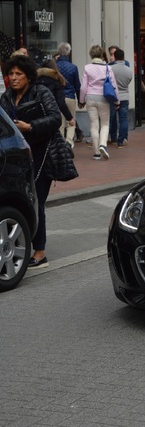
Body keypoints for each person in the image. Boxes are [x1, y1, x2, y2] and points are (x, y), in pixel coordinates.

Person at [0, 55, 62, 268]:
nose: (14, 78)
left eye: (19, 74)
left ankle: (40, 251)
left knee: (38, 200)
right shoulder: (7, 96)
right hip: (18, 154)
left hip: (42, 152)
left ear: (28, 75)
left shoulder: (40, 91)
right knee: (25, 199)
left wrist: (31, 126)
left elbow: (56, 118)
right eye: (11, 74)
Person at [79, 44, 120, 160]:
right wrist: (117, 101)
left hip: (90, 98)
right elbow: (114, 86)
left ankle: (96, 152)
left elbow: (83, 87)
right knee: (105, 124)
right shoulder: (108, 68)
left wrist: (81, 101)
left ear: (91, 55)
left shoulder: (87, 67)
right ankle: (103, 144)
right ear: (102, 55)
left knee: (94, 125)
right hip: (104, 98)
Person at [35, 59, 75, 157]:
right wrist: (69, 117)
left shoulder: (35, 81)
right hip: (52, 113)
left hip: (37, 114)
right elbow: (60, 103)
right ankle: (66, 145)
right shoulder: (56, 80)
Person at [55, 42, 84, 147]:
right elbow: (77, 85)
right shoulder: (73, 67)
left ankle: (61, 144)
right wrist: (81, 100)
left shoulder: (55, 66)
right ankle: (69, 142)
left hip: (57, 97)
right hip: (70, 97)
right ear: (69, 52)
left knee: (60, 123)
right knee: (71, 122)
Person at [109, 49, 133, 148]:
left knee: (112, 118)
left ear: (115, 56)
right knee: (123, 119)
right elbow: (129, 81)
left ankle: (113, 138)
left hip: (113, 97)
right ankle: (121, 140)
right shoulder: (129, 70)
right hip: (124, 97)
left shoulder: (110, 68)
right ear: (123, 57)